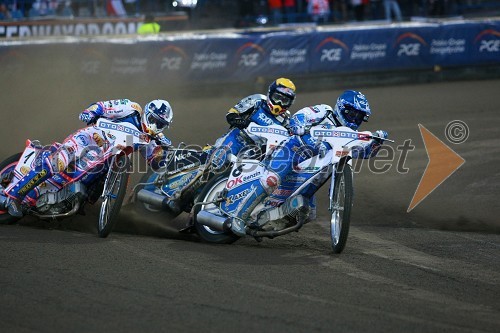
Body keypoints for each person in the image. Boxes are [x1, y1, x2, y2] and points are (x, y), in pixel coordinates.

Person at [226, 90, 388, 233]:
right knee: (271, 180)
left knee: (307, 212)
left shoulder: (351, 136)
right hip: (293, 150)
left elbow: (365, 153)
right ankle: (238, 216)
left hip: (311, 166)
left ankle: (268, 222)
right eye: (351, 114)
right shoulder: (325, 111)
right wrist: (299, 126)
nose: (354, 120)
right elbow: (299, 117)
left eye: (359, 117)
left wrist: (377, 142)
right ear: (341, 108)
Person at [3, 99, 173, 217]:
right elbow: (103, 106)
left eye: (161, 125)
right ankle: (15, 196)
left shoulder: (149, 140)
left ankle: (70, 203)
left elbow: (156, 163)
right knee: (60, 161)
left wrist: (164, 153)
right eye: (154, 120)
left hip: (104, 161)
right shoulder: (132, 109)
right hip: (91, 139)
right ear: (147, 113)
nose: (155, 126)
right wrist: (90, 112)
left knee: (93, 191)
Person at [210, 77, 296, 168]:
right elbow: (231, 114)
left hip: (256, 152)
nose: (280, 103)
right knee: (216, 162)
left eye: (285, 101)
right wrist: (242, 122)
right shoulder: (258, 100)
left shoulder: (286, 120)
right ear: (270, 93)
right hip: (238, 138)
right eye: (277, 98)